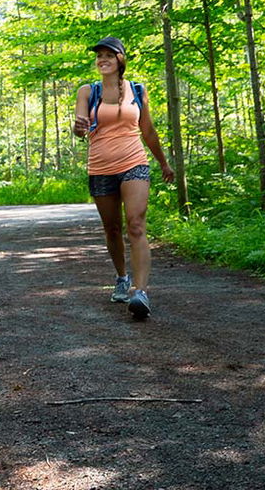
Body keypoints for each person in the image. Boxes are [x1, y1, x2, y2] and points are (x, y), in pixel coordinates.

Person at [73, 36, 174, 319]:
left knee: (136, 224)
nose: (102, 59)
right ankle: (121, 278)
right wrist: (79, 127)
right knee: (113, 229)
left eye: (109, 55)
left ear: (120, 59)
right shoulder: (87, 91)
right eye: (99, 56)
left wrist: (163, 163)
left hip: (134, 163)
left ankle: (140, 292)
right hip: (100, 166)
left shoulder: (138, 91)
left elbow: (149, 132)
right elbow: (80, 130)